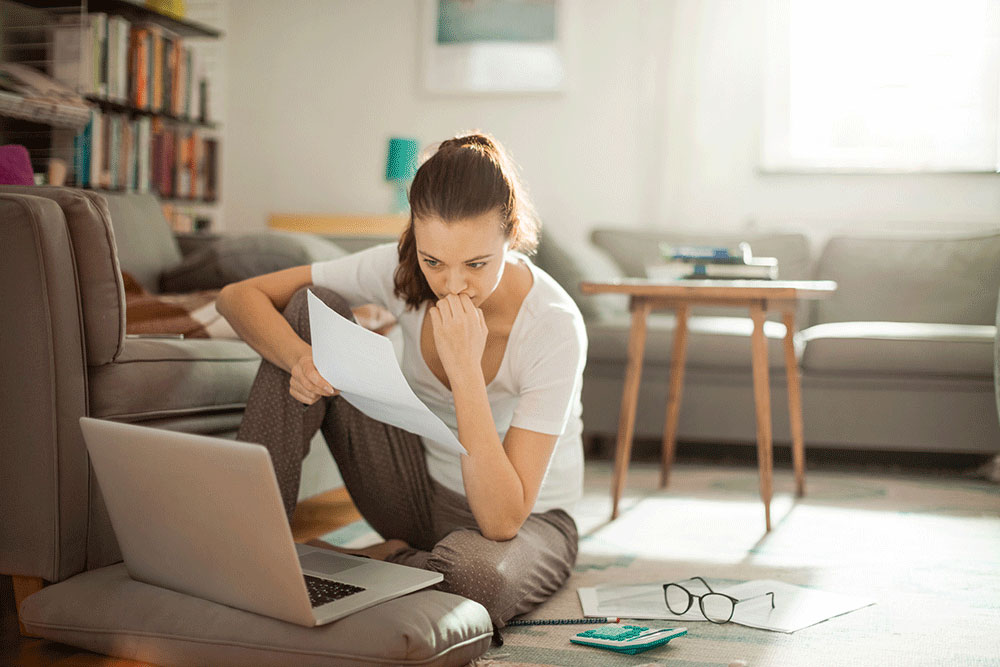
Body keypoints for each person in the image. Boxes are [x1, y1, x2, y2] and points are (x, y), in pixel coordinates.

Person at [216, 132, 587, 627]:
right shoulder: (400, 270)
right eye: (435, 262)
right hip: (417, 493)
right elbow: (238, 297)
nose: (454, 285)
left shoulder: (554, 325)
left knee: (477, 581)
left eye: (477, 264)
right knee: (312, 306)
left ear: (510, 236)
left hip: (528, 522)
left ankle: (380, 561)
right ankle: (251, 554)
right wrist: (299, 359)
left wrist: (464, 372)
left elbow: (502, 521)